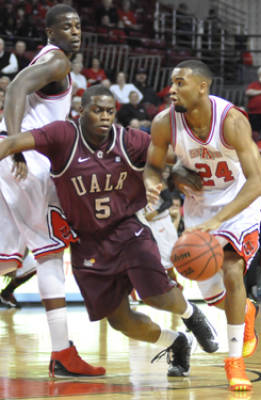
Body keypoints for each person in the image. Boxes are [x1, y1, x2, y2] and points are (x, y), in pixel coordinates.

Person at [0, 84, 219, 378]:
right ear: (81, 111)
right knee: (120, 322)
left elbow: (172, 156)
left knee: (156, 296)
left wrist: (183, 170)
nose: (105, 116)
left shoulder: (130, 139)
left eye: (110, 111)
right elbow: (13, 142)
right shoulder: (62, 135)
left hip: (128, 231)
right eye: (97, 110)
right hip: (87, 243)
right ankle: (176, 341)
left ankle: (193, 316)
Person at [143, 60, 261, 391]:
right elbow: (153, 166)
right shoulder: (163, 123)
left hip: (238, 204)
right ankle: (246, 310)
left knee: (232, 269)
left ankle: (234, 360)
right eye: (171, 82)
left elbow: (258, 182)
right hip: (198, 207)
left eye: (180, 82)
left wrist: (219, 221)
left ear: (202, 87)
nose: (172, 89)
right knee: (210, 293)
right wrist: (155, 182)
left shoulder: (232, 121)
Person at [0, 4, 105, 378]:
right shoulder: (57, 62)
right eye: (66, 26)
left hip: (13, 157)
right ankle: (62, 352)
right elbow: (14, 87)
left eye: (78, 25)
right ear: (50, 32)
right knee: (48, 252)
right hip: (23, 159)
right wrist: (16, 145)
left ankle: (62, 350)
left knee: (9, 261)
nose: (75, 31)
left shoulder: (53, 62)